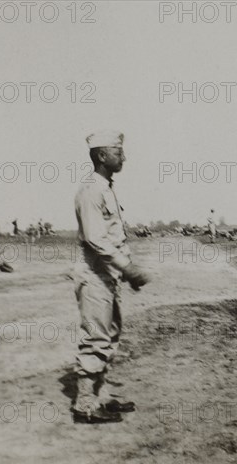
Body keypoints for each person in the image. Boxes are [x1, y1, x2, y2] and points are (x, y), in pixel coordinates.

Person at [73, 130, 149, 424]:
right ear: (102, 156)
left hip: (107, 276)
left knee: (109, 336)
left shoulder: (105, 187)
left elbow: (112, 236)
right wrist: (127, 268)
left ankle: (100, 396)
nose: (124, 157)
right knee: (95, 339)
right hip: (94, 277)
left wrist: (123, 271)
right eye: (118, 152)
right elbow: (95, 239)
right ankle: (84, 406)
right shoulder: (91, 190)